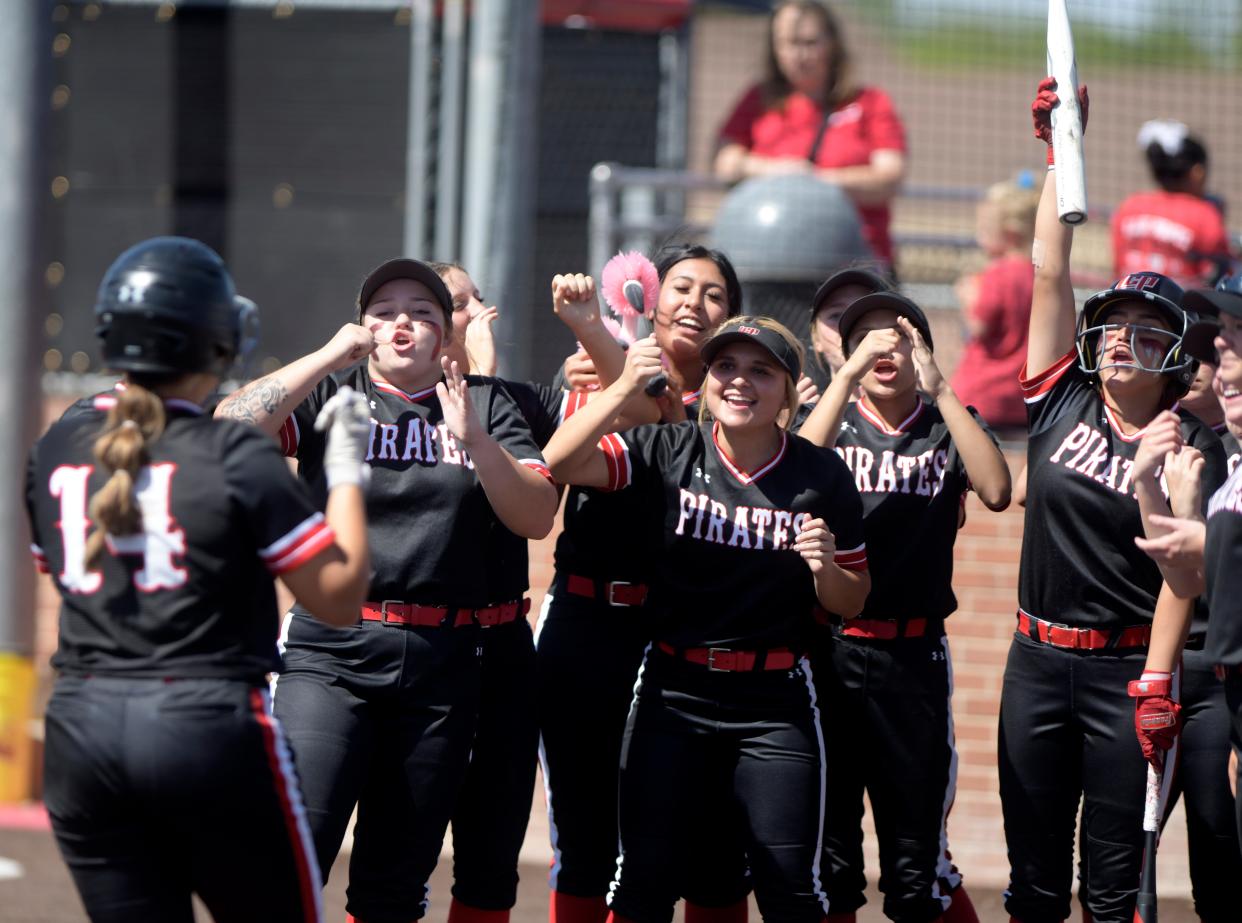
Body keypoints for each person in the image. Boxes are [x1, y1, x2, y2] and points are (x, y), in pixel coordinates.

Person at [26, 237, 372, 923]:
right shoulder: (233, 450)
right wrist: (346, 471)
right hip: (206, 726)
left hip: (82, 729)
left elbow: (60, 568)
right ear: (215, 342)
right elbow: (338, 598)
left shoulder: (59, 441)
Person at [214, 257, 559, 923]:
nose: (404, 323)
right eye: (386, 310)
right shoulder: (331, 392)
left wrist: (477, 444)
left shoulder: (484, 402)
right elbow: (225, 430)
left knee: (394, 881)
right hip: (333, 651)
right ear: (364, 326)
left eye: (423, 312)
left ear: (445, 333)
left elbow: (537, 515)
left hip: (443, 663)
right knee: (292, 846)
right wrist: (324, 355)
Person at [545, 315, 870, 923]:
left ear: (789, 389)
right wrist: (621, 389)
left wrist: (826, 571)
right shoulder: (667, 449)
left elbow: (852, 599)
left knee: (790, 890)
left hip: (775, 702)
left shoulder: (821, 474)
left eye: (760, 371)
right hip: (674, 691)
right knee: (643, 883)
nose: (739, 381)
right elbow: (557, 463)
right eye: (725, 366)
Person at [998, 80, 1226, 923]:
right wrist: (1063, 149)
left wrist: (1158, 681)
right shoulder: (1060, 396)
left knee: (1112, 892)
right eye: (1117, 323)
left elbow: (1181, 574)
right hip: (1033, 660)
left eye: (1149, 329)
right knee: (1033, 887)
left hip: (1123, 673)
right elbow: (1050, 265)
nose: (1126, 337)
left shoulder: (1187, 444)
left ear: (1176, 356)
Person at [532, 245, 754, 923]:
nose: (695, 302)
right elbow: (571, 452)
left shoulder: (741, 396)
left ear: (731, 318)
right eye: (682, 286)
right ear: (650, 296)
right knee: (585, 833)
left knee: (710, 842)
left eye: (714, 295)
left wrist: (599, 340)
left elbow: (679, 441)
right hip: (587, 621)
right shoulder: (593, 377)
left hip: (682, 633)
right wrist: (598, 344)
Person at [797, 291, 1010, 923]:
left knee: (916, 866)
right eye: (865, 334)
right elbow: (791, 480)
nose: (884, 346)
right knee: (830, 859)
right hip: (829, 651)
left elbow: (997, 490)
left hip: (912, 657)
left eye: (898, 332)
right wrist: (844, 377)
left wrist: (942, 390)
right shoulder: (833, 423)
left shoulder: (948, 424)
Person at [1139, 275, 1242, 854]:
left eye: (1230, 336)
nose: (1210, 357)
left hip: (1220, 671)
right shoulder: (1156, 438)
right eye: (1205, 342)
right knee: (1123, 861)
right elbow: (1179, 574)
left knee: (1219, 867)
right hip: (1170, 663)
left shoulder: (1221, 448)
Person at [714, 0, 907, 270]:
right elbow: (726, 163)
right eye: (788, 43)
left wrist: (816, 182)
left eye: (809, 42)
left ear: (832, 44)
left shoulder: (870, 102)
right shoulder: (758, 100)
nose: (799, 55)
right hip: (769, 260)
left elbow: (889, 177)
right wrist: (782, 173)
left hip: (852, 261)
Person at [949, 178, 1040, 433]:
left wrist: (968, 297)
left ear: (1009, 234)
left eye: (985, 230)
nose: (979, 237)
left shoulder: (997, 274)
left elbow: (979, 325)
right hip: (1020, 393)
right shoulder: (1036, 274)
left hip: (982, 392)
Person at [1111, 118, 1233, 289]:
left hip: (1128, 303)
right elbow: (1223, 278)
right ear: (1197, 172)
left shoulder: (1129, 207)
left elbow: (1117, 268)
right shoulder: (1205, 215)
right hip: (1182, 312)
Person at [807, 266, 892, 387]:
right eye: (836, 316)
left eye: (863, 313)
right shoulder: (805, 406)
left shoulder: (921, 403)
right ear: (816, 339)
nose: (849, 324)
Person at [431, 261, 500, 376]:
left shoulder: (523, 393)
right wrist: (482, 372)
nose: (481, 309)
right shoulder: (402, 392)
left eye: (479, 299)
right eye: (458, 305)